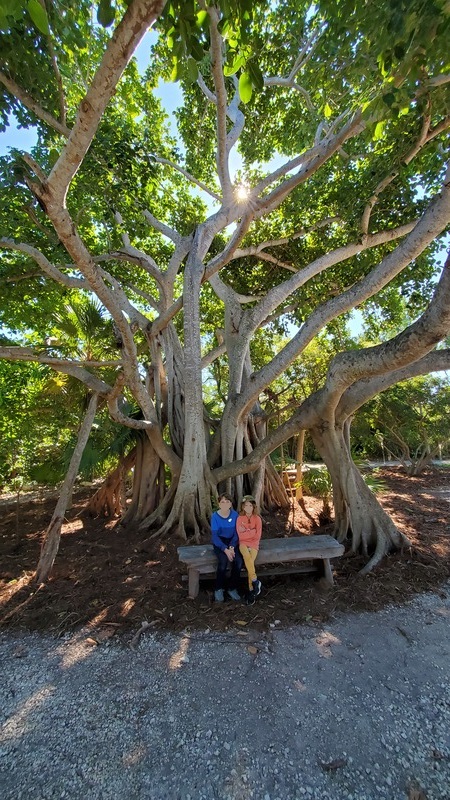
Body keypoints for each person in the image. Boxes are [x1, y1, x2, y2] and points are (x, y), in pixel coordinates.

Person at [211, 493, 243, 602]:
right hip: (220, 543)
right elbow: (215, 536)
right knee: (223, 562)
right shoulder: (215, 516)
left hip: (232, 542)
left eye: (228, 501)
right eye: (222, 502)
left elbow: (236, 533)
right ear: (219, 504)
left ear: (231, 504)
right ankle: (219, 589)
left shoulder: (235, 515)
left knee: (238, 561)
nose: (225, 504)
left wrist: (232, 547)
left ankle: (232, 588)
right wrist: (225, 549)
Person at [236, 495, 262, 605]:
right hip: (243, 544)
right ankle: (255, 581)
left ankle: (252, 591)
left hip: (254, 544)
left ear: (253, 506)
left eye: (250, 505)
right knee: (247, 558)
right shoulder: (239, 519)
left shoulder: (258, 519)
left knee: (249, 563)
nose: (248, 507)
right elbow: (240, 536)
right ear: (242, 507)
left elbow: (257, 536)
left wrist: (246, 531)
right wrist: (251, 531)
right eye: (245, 505)